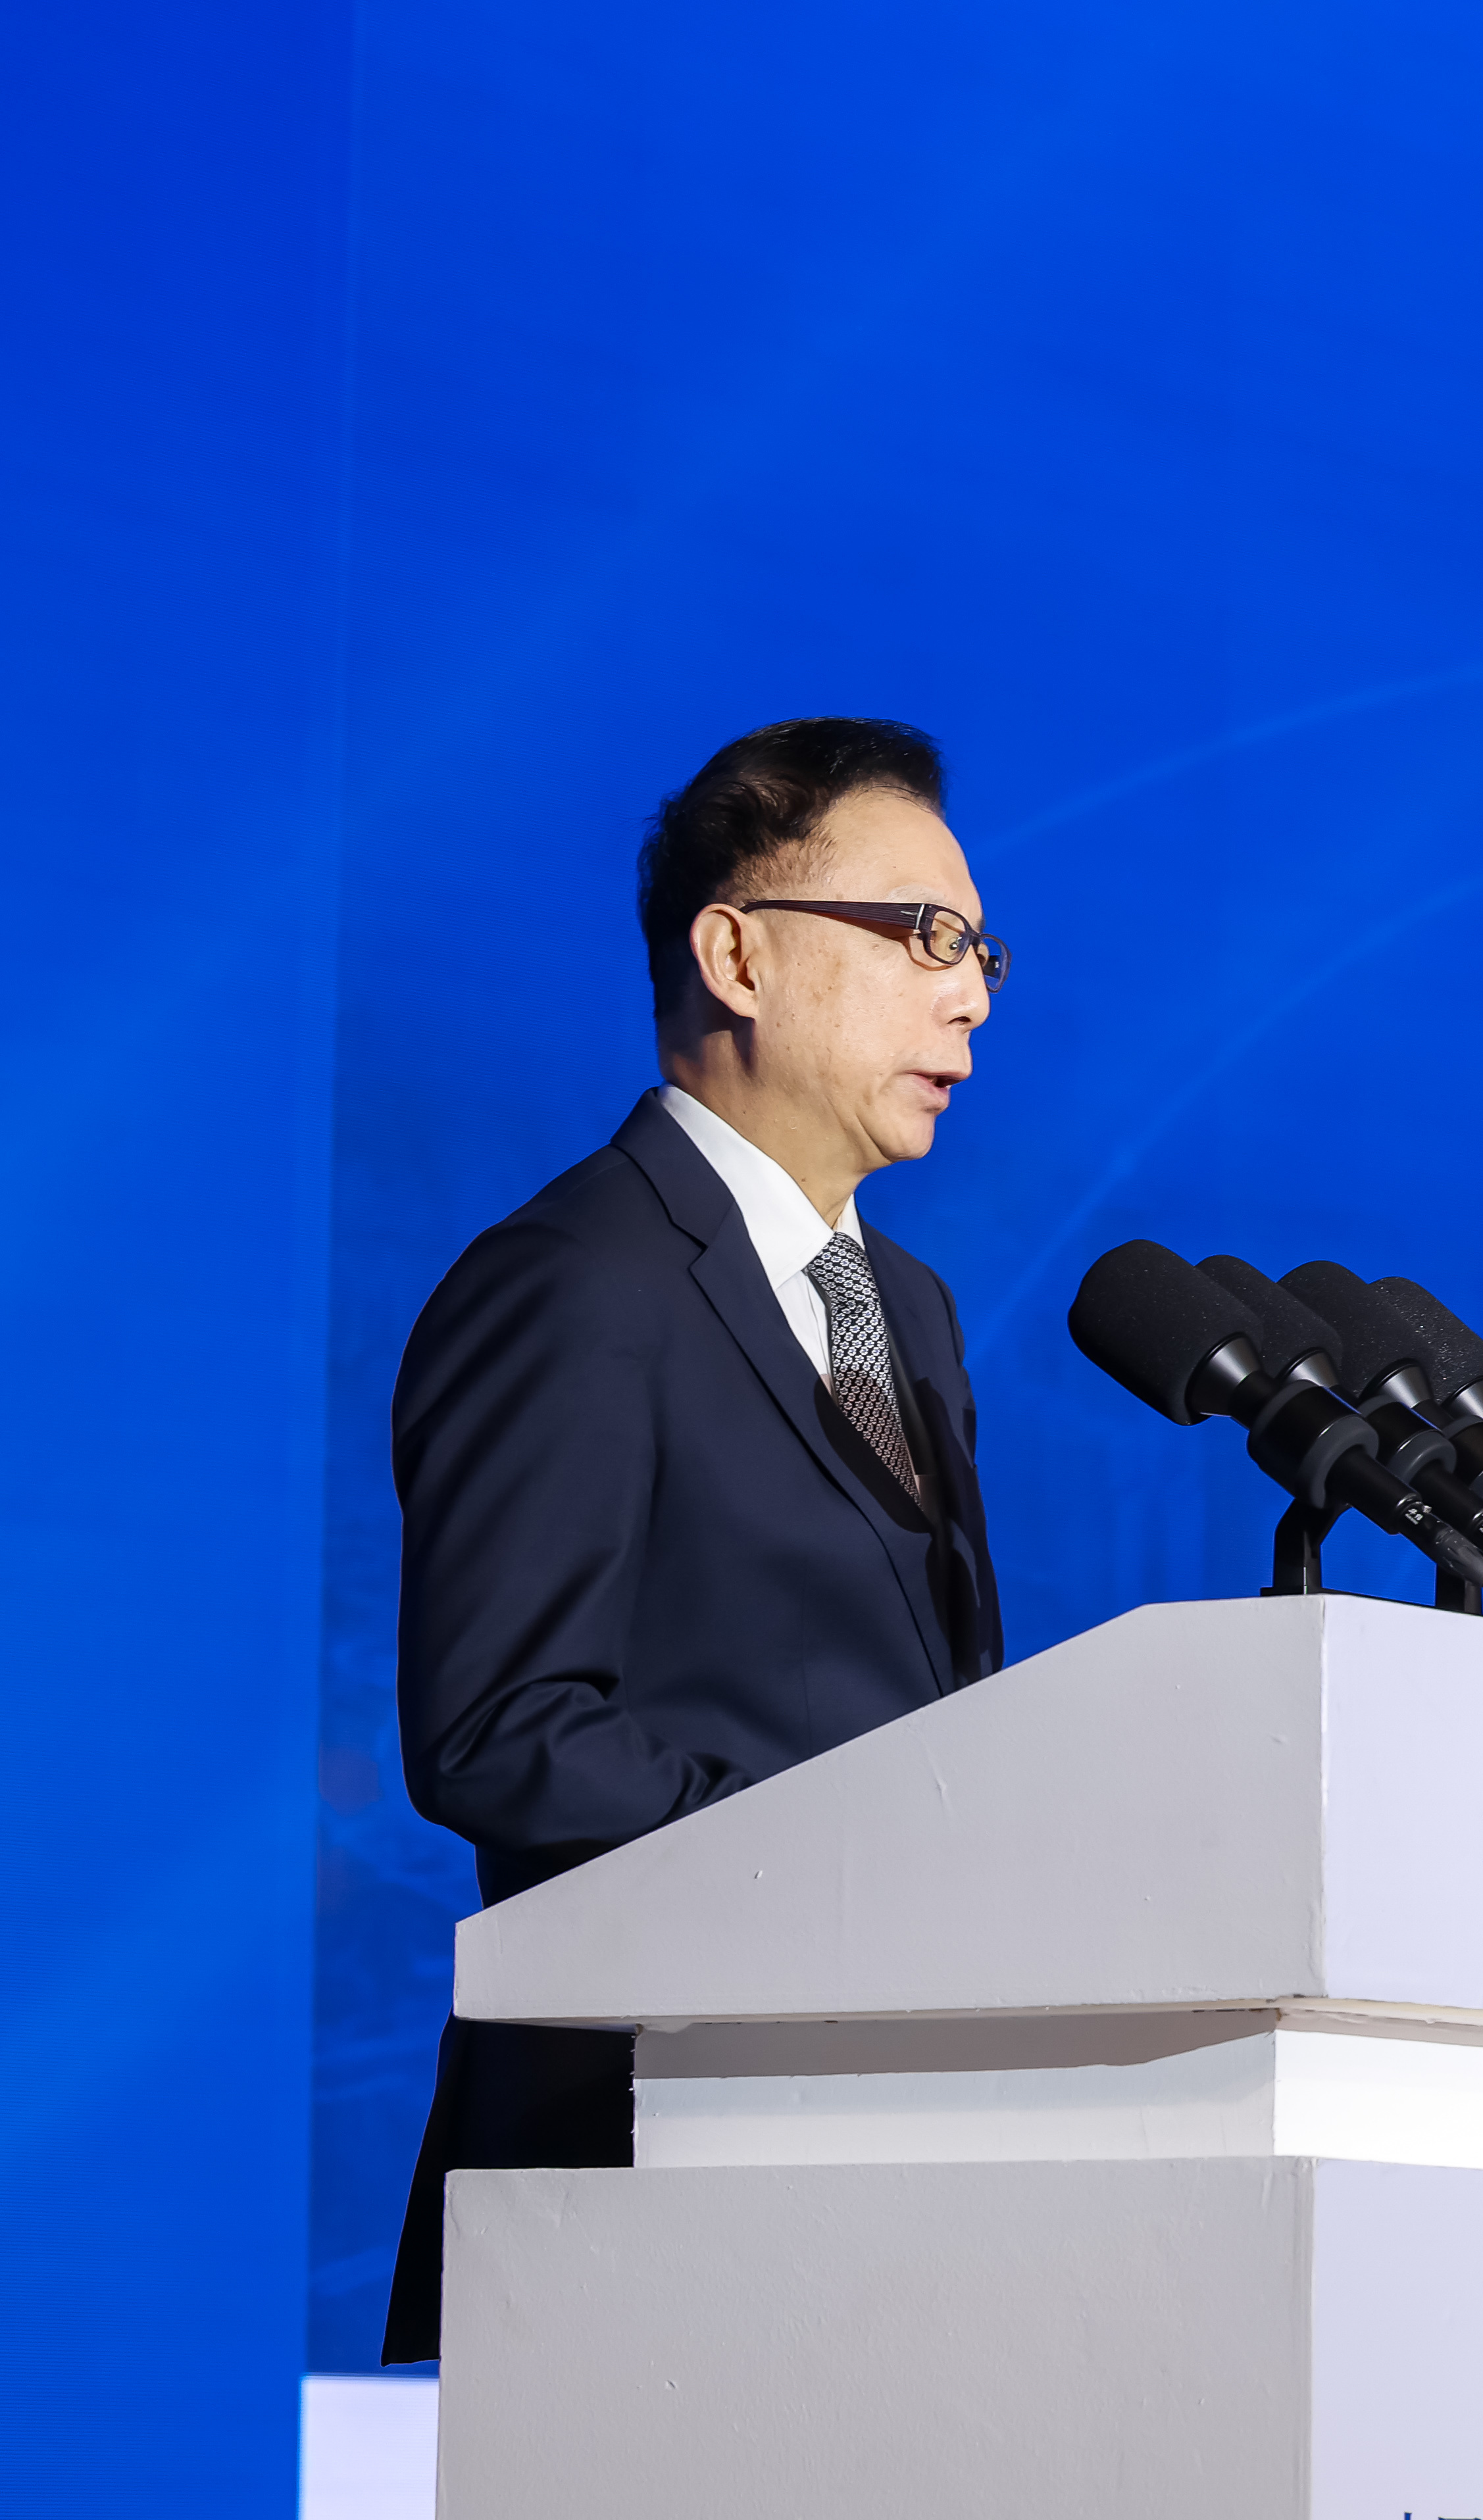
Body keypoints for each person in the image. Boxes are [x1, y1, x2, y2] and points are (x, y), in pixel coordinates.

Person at [379, 718, 1009, 2363]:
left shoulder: (910, 1310)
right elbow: (501, 1729)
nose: (970, 994)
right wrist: (834, 1858)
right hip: (633, 2172)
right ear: (736, 953)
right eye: (921, 935)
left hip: (888, 2167)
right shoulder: (575, 1281)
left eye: (980, 950)